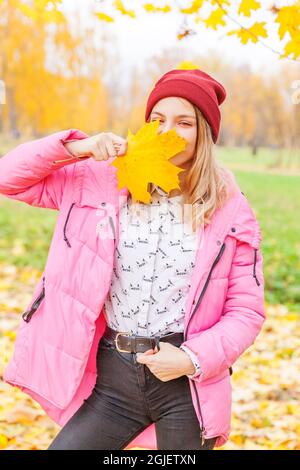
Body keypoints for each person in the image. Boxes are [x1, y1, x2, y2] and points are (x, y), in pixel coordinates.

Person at [0, 69, 266, 450]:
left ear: (204, 133)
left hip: (185, 389)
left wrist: (191, 359)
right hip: (114, 381)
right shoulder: (100, 179)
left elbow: (246, 311)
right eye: (157, 119)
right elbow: (8, 178)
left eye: (184, 122)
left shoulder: (230, 209)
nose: (166, 130)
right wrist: (77, 148)